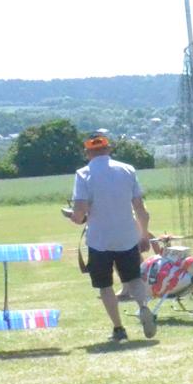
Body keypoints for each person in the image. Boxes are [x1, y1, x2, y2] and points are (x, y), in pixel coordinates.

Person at [64, 131, 157, 342]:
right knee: (134, 279)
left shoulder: (83, 174)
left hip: (100, 240)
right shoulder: (127, 170)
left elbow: (80, 211)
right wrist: (143, 235)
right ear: (108, 149)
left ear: (87, 153)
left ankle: (118, 328)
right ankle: (143, 307)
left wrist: (73, 217)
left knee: (105, 285)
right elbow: (141, 209)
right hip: (127, 236)